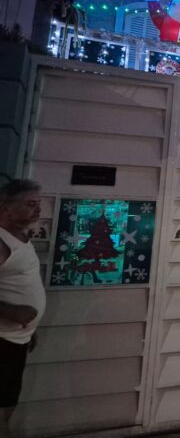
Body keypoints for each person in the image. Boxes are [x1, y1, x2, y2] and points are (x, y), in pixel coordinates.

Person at [0, 179, 44, 438]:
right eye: (30, 204)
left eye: (38, 204)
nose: (38, 210)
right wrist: (10, 311)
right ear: (6, 208)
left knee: (7, 406)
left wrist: (31, 328)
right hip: (2, 341)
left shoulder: (19, 238)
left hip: (16, 338)